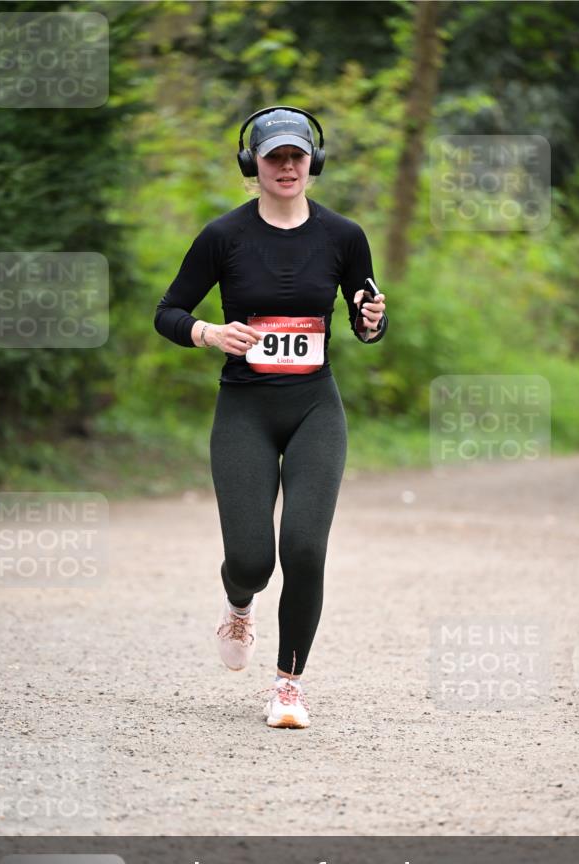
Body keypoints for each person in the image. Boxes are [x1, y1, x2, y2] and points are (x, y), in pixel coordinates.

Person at [154, 106, 387, 729]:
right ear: (251, 164)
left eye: (297, 156)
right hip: (245, 409)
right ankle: (239, 604)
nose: (287, 166)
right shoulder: (223, 236)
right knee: (253, 560)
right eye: (274, 156)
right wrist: (207, 332)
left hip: (315, 408)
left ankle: (288, 686)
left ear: (314, 162)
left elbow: (367, 319)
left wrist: (372, 320)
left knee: (305, 548)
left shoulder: (344, 236)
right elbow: (168, 311)